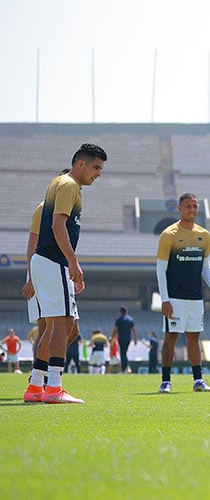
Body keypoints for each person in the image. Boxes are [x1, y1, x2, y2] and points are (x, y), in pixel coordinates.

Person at [24, 143, 107, 404]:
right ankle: (55, 388)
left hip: (45, 261)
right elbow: (57, 224)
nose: (98, 173)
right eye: (96, 167)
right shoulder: (69, 185)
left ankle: (36, 386)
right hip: (53, 260)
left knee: (54, 326)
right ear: (80, 163)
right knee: (65, 324)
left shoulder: (59, 182)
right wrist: (73, 262)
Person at [156, 192, 210, 393]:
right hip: (174, 297)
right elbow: (160, 269)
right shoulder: (169, 235)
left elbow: (206, 266)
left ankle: (198, 380)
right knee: (171, 338)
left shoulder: (204, 235)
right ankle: (166, 381)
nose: (192, 210)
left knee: (194, 338)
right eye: (188, 206)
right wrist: (165, 299)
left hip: (195, 297)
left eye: (195, 206)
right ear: (180, 208)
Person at [112, 305, 137, 374]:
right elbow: (134, 329)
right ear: (127, 311)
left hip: (121, 338)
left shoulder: (119, 319)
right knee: (124, 352)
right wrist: (135, 339)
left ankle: (125, 368)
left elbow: (115, 330)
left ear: (120, 312)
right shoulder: (130, 319)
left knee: (122, 353)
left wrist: (112, 337)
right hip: (128, 338)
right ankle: (126, 367)